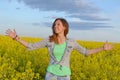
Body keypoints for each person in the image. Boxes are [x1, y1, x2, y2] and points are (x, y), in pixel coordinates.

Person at [6, 18, 113, 80]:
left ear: (64, 27)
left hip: (65, 76)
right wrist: (16, 38)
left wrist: (102, 48)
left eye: (58, 24)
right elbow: (31, 46)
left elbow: (86, 52)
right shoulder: (49, 40)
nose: (55, 26)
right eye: (54, 25)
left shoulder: (71, 42)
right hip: (50, 74)